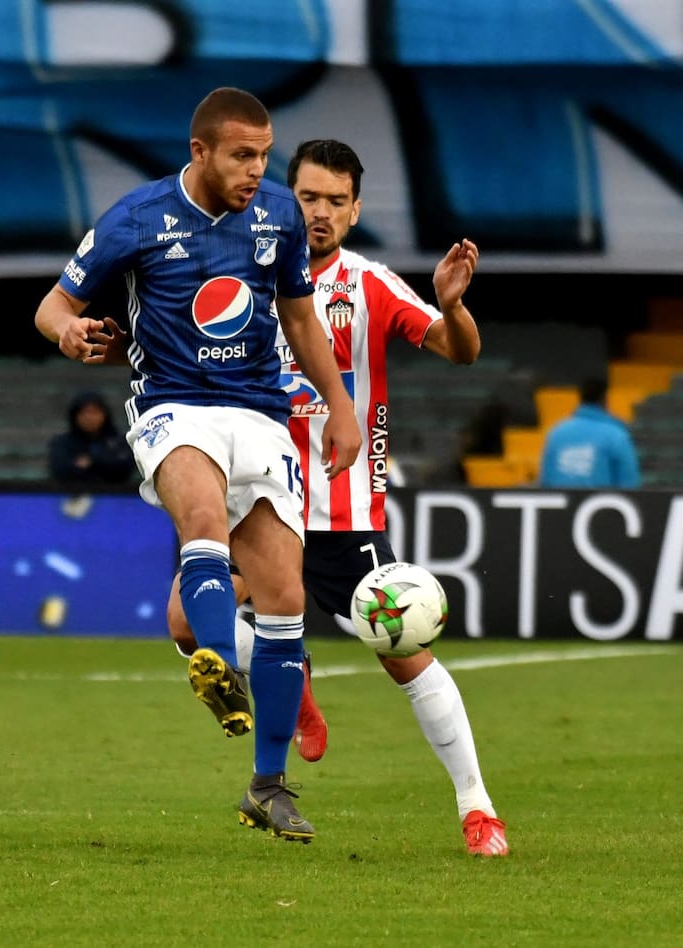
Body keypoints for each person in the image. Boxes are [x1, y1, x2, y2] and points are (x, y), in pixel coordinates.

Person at [152, 139, 508, 857]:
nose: (319, 212)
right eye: (308, 197)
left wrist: (452, 306)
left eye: (335, 202)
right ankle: (294, 675)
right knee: (187, 624)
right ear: (285, 200)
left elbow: (460, 350)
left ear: (355, 211)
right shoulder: (239, 274)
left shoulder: (368, 284)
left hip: (342, 514)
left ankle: (478, 808)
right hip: (256, 498)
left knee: (406, 655)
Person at [34, 89, 362, 844]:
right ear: (200, 152)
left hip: (261, 413)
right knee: (204, 520)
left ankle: (268, 787)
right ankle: (216, 662)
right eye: (242, 156)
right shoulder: (138, 217)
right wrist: (70, 333)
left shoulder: (278, 215)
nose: (257, 171)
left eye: (264, 155)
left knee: (284, 598)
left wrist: (340, 407)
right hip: (173, 406)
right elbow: (52, 306)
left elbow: (299, 318)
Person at [539, 377, 641, 488]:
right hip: (601, 499)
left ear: (580, 399)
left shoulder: (557, 433)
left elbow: (545, 481)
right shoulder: (616, 435)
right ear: (604, 399)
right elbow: (629, 483)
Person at [48, 389, 137, 487]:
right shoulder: (62, 443)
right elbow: (62, 471)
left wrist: (93, 461)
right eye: (84, 412)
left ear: (104, 414)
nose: (89, 418)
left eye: (94, 412)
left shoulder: (120, 442)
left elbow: (124, 468)